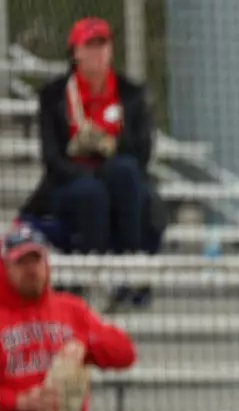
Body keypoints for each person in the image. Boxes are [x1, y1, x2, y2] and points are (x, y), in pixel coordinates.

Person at [20, 17, 164, 309]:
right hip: (69, 179)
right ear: (75, 52)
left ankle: (131, 266)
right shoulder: (54, 95)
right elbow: (51, 158)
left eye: (103, 44)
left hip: (121, 179)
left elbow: (142, 153)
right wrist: (90, 170)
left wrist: (108, 144)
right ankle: (83, 280)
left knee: (124, 173)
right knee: (90, 192)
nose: (98, 52)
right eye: (90, 45)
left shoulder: (130, 94)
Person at [0, 224, 136, 411]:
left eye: (36, 259)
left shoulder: (72, 310)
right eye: (21, 262)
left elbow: (125, 353)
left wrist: (87, 343)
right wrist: (19, 402)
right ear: (5, 267)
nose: (31, 270)